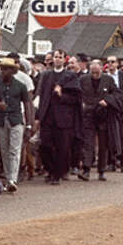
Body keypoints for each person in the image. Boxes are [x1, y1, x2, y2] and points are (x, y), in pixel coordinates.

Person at [34, 49, 79, 184]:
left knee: (62, 147)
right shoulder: (46, 75)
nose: (57, 59)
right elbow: (40, 96)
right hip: (47, 116)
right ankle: (50, 169)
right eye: (55, 57)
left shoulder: (70, 76)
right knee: (44, 145)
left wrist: (62, 95)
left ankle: (57, 175)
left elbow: (75, 98)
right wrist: (37, 116)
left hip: (63, 117)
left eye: (60, 57)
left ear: (64, 59)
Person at [0, 57, 32, 192]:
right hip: (1, 121)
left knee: (14, 150)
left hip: (16, 120)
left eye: (6, 69)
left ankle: (12, 179)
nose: (3, 71)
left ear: (12, 71)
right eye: (2, 69)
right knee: (4, 150)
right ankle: (7, 176)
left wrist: (29, 125)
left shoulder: (20, 86)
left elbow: (27, 105)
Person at [79, 59, 120, 181]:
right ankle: (86, 169)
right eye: (93, 72)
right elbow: (77, 93)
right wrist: (81, 103)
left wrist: (107, 101)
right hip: (88, 114)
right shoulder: (83, 79)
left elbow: (117, 94)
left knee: (103, 144)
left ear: (102, 69)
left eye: (97, 72)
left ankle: (101, 170)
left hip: (103, 115)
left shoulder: (108, 80)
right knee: (88, 142)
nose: (95, 74)